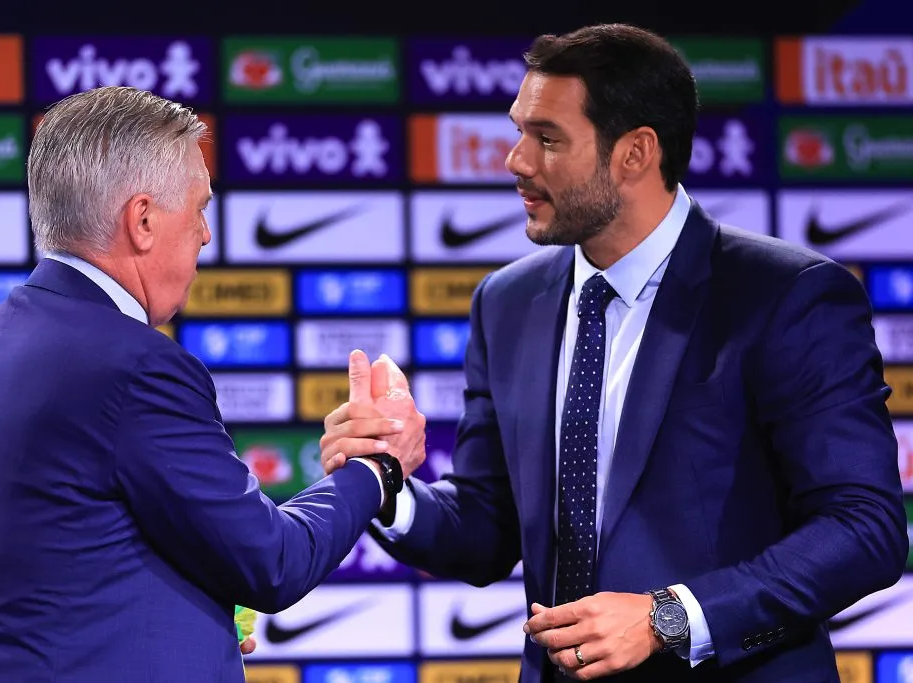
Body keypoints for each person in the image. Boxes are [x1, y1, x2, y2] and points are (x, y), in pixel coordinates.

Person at [319, 24, 908, 683]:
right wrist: (384, 483)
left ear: (634, 154)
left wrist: (671, 616)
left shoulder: (783, 296)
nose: (516, 160)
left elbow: (865, 529)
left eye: (547, 139)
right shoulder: (506, 303)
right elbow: (487, 525)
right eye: (520, 132)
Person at [0, 85, 424, 683]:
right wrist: (376, 471)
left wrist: (180, 612)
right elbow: (272, 563)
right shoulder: (139, 367)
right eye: (199, 208)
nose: (205, 234)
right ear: (142, 221)